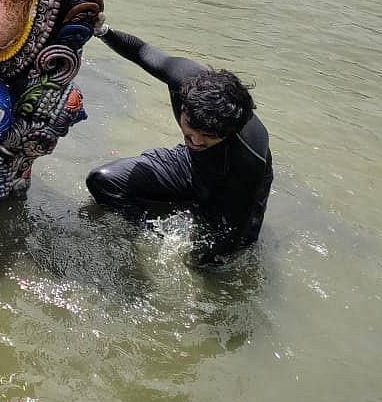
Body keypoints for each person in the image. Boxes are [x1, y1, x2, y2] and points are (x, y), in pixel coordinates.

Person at [85, 17, 272, 267]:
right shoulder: (185, 79)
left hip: (233, 183)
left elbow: (236, 224)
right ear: (185, 106)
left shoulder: (249, 157)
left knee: (211, 261)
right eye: (191, 129)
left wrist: (218, 254)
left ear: (230, 132)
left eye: (209, 136)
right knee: (103, 181)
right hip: (190, 163)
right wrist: (103, 31)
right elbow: (141, 51)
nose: (196, 139)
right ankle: (152, 232)